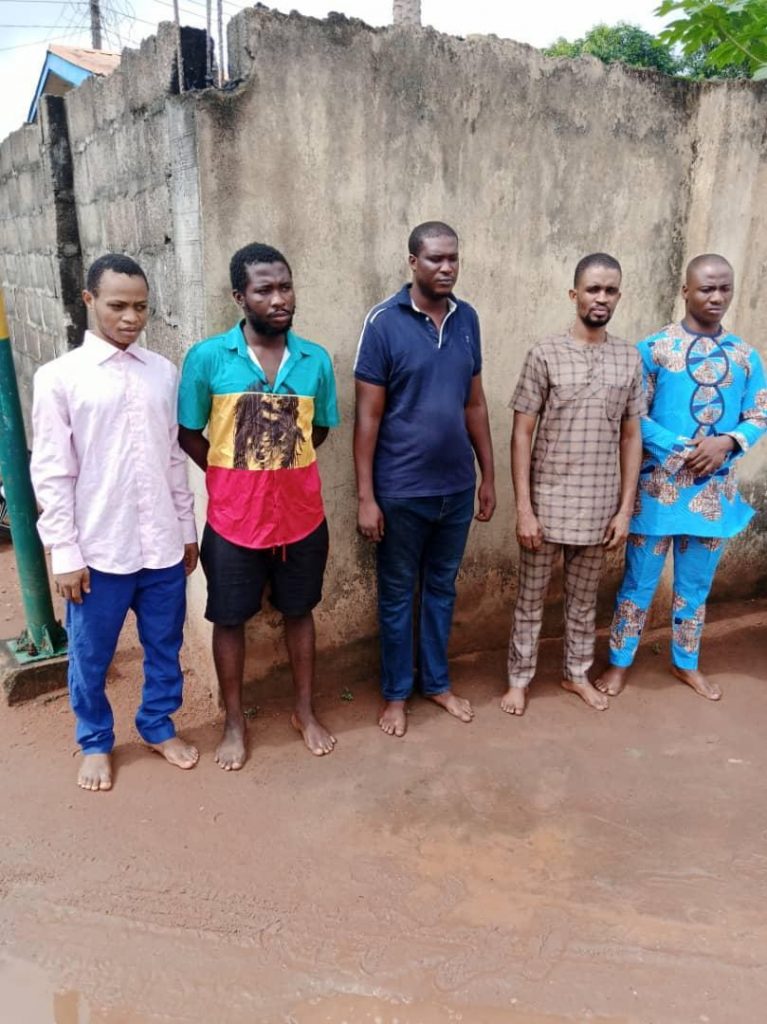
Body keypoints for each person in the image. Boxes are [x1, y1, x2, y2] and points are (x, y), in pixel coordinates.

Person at [31, 253, 200, 792]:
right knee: (90, 653)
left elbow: (173, 457)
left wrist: (186, 528)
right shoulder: (59, 378)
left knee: (164, 645)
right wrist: (64, 551)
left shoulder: (162, 373)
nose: (131, 318)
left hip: (162, 545)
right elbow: (52, 472)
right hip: (98, 550)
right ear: (89, 300)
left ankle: (157, 724)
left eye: (141, 307)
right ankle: (95, 740)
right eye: (118, 305)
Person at [178, 243, 340, 768]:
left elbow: (319, 430)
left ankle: (304, 711)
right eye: (264, 290)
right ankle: (233, 721)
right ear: (239, 297)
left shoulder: (315, 360)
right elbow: (188, 432)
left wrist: (279, 470)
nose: (279, 299)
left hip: (301, 517)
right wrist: (230, 477)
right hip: (233, 520)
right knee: (229, 618)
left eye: (285, 287)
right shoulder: (208, 358)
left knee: (300, 610)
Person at [597, 254, 767, 701]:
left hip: (714, 497)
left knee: (694, 588)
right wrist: (683, 449)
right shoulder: (654, 349)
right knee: (638, 584)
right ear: (685, 291)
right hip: (657, 493)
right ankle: (619, 661)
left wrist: (726, 442)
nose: (716, 297)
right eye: (706, 288)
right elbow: (633, 416)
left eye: (724, 288)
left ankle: (686, 662)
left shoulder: (745, 356)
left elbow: (758, 413)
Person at [354, 221, 496, 738]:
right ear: (413, 262)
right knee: (397, 595)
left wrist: (487, 476)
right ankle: (396, 694)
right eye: (435, 258)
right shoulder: (383, 323)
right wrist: (367, 497)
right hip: (400, 492)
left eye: (453, 258)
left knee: (441, 589)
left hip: (455, 490)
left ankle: (436, 683)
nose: (446, 267)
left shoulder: (467, 319)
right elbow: (367, 417)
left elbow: (474, 403)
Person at [502, 253, 644, 717]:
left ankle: (575, 674)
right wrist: (524, 509)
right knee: (530, 600)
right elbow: (521, 433)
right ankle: (519, 680)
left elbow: (631, 436)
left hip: (599, 507)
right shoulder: (545, 353)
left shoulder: (629, 358)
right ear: (574, 294)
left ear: (618, 296)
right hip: (547, 504)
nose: (601, 298)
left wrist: (624, 510)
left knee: (583, 603)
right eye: (593, 289)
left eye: (610, 290)